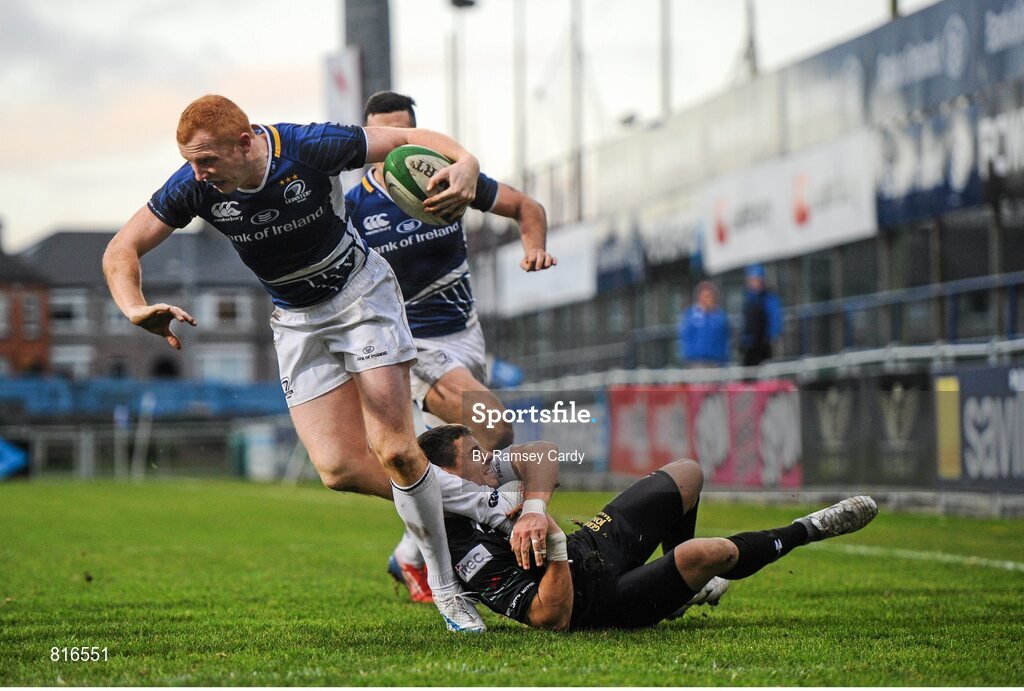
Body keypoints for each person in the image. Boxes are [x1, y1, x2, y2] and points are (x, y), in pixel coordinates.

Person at [101, 94, 546, 633]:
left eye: (207, 161)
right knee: (339, 470)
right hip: (294, 319)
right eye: (191, 161)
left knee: (398, 451)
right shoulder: (194, 185)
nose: (197, 172)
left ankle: (447, 587)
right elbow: (121, 250)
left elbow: (407, 141)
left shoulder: (308, 146)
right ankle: (483, 502)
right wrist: (133, 306)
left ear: (245, 143)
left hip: (362, 301)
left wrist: (467, 163)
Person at [344, 91, 557, 601]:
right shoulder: (352, 208)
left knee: (458, 461)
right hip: (409, 345)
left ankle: (409, 556)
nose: (393, 147)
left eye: (405, 134)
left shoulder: (447, 177)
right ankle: (504, 529)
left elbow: (526, 206)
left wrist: (535, 248)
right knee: (494, 424)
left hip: (464, 333)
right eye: (382, 137)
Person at [417, 424, 878, 631]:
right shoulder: (465, 551)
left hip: (590, 542)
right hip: (594, 603)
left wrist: (537, 508)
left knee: (687, 473)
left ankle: (679, 591)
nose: (491, 462)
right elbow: (550, 616)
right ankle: (809, 528)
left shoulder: (484, 481)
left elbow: (542, 452)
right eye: (477, 456)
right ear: (451, 476)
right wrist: (554, 546)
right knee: (706, 555)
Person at [677, 280, 730, 366]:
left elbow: (724, 337)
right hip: (695, 360)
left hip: (716, 360)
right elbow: (685, 336)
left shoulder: (719, 316)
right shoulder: (691, 314)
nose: (707, 299)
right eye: (704, 296)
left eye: (709, 296)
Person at [739, 264, 783, 367]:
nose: (754, 283)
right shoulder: (748, 299)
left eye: (757, 280)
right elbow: (746, 323)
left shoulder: (769, 299)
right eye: (752, 280)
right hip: (750, 345)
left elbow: (775, 319)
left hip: (764, 343)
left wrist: (772, 336)